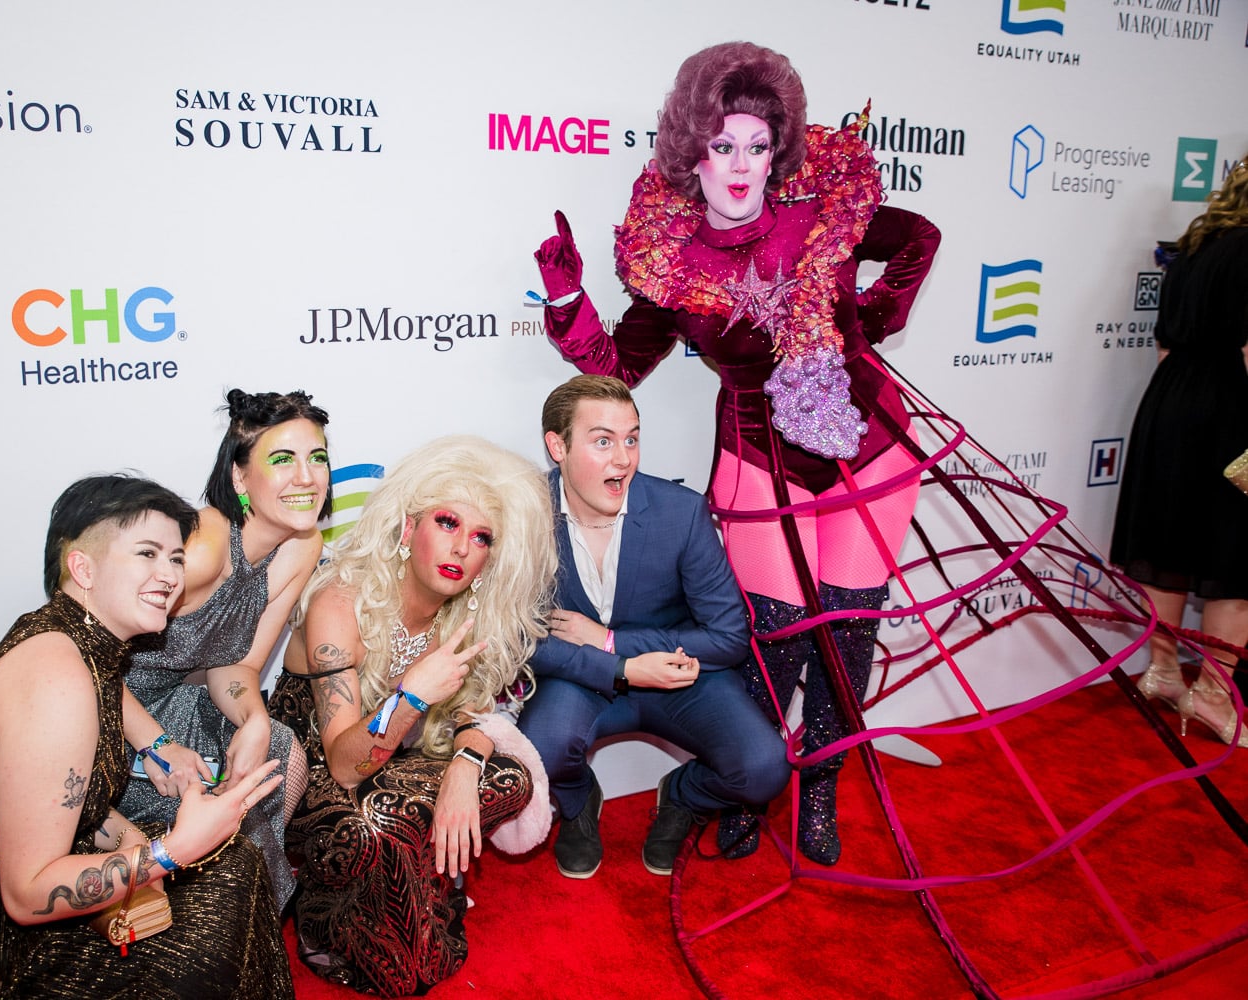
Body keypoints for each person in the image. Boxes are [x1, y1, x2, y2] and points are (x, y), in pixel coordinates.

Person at [531, 41, 939, 865]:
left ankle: (820, 788)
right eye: (724, 146)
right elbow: (618, 366)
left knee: (848, 630)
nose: (742, 165)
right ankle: (757, 776)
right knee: (778, 628)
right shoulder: (668, 257)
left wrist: (865, 318)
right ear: (693, 151)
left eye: (758, 145)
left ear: (778, 147)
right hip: (759, 449)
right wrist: (569, 298)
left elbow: (917, 236)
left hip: (865, 438)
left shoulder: (818, 206)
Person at [0, 474, 293, 999]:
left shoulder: (81, 641)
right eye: (146, 554)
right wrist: (172, 849)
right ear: (82, 567)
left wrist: (133, 833)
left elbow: (60, 801)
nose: (169, 575)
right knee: (200, 936)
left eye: (176, 558)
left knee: (236, 865)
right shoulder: (58, 678)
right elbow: (26, 894)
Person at [267, 435, 556, 996]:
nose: (462, 549)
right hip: (310, 773)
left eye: (481, 537)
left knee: (510, 778)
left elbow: (476, 716)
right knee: (378, 819)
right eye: (447, 522)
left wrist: (465, 768)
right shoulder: (341, 602)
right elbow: (347, 765)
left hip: (396, 771)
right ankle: (325, 906)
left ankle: (405, 869)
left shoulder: (468, 618)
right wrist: (413, 696)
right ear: (406, 530)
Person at [520, 375, 790, 878]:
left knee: (764, 768)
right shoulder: (521, 514)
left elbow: (730, 635)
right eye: (602, 441)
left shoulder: (679, 512)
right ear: (557, 445)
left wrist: (615, 643)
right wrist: (618, 668)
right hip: (581, 680)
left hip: (677, 675)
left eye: (632, 438)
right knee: (540, 750)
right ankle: (578, 805)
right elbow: (518, 638)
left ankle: (681, 797)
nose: (623, 459)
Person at [120, 388, 331, 910]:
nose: (307, 477)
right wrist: (157, 745)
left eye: (318, 458)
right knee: (225, 792)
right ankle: (220, 915)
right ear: (239, 477)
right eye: (283, 460)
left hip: (169, 703)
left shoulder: (303, 546)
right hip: (101, 717)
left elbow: (237, 665)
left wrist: (255, 721)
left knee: (276, 751)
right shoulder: (202, 552)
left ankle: (241, 911)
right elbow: (83, 660)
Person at [1110, 154, 1248, 747]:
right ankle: (1215, 698)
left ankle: (1163, 673)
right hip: (1231, 408)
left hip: (1171, 402)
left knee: (1169, 543)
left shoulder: (1194, 247)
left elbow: (1166, 343)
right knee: (1234, 560)